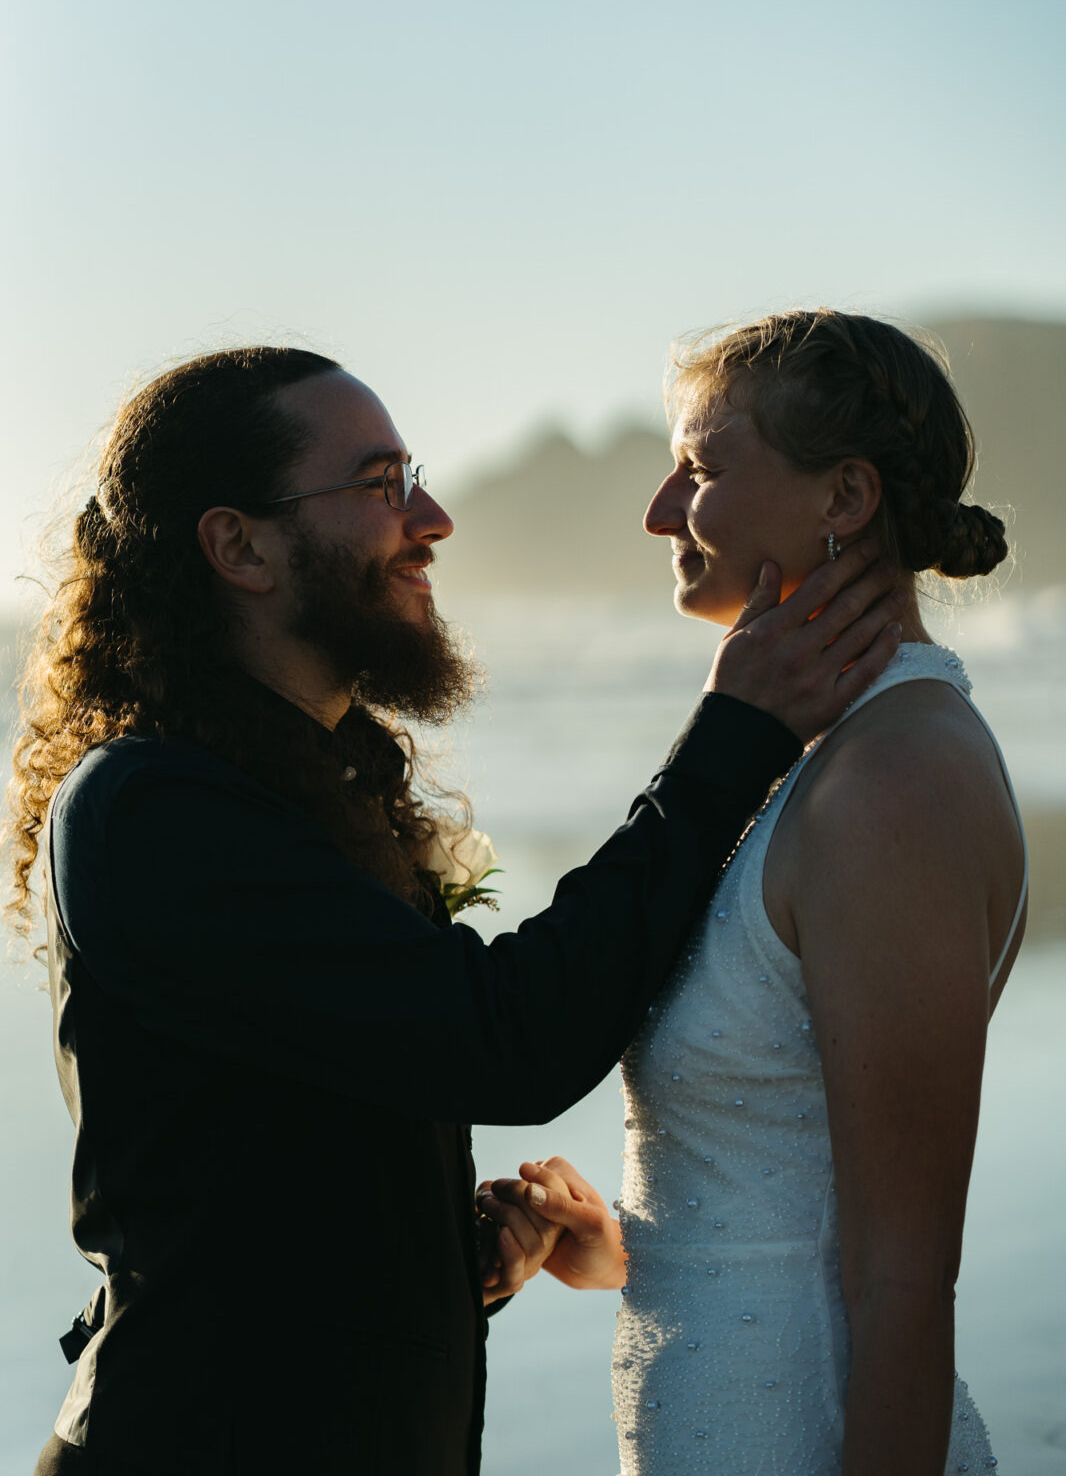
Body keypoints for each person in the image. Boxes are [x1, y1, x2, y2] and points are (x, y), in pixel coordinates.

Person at [5, 345, 903, 1476]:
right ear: (239, 545)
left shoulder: (304, 787)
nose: (430, 515)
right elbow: (503, 1035)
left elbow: (289, 1135)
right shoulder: (151, 809)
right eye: (381, 485)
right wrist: (734, 734)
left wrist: (446, 1253)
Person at [481, 310, 1025, 1475]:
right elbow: (799, 1198)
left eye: (703, 467)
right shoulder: (810, 763)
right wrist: (623, 1246)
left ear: (843, 500)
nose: (659, 510)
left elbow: (903, 1276)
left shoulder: (894, 783)